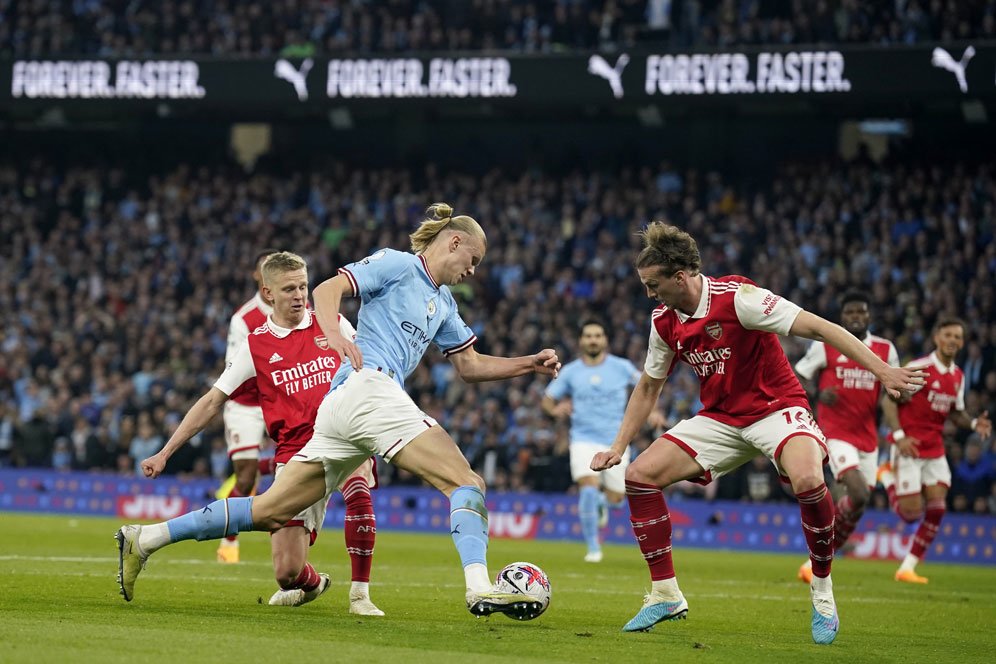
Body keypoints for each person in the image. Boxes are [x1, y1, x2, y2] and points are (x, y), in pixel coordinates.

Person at [116, 203, 561, 620]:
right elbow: (330, 288)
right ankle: (479, 586)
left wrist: (528, 364)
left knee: (270, 509)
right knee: (467, 481)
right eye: (475, 259)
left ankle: (147, 538)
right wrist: (334, 333)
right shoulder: (399, 264)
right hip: (368, 389)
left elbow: (470, 365)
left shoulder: (444, 304)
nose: (472, 271)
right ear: (454, 242)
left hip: (341, 409)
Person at [589, 222, 925, 644]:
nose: (649, 293)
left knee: (808, 481)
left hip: (776, 409)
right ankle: (665, 594)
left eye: (654, 284)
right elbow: (649, 385)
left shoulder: (740, 299)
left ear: (680, 277)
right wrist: (619, 446)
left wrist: (882, 371)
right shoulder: (664, 321)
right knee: (638, 476)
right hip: (721, 418)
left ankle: (822, 593)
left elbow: (822, 328)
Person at [135, 252, 384, 615]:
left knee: (358, 487)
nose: (299, 295)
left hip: (344, 435)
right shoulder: (255, 345)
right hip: (297, 452)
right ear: (268, 293)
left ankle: (360, 595)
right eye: (289, 289)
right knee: (286, 573)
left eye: (303, 286)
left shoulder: (333, 324)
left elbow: (369, 366)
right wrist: (165, 452)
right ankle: (313, 583)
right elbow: (210, 402)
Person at [793, 290, 899, 583]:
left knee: (860, 502)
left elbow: (891, 392)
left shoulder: (885, 349)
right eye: (850, 312)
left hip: (868, 435)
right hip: (836, 432)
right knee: (859, 491)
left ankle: (817, 560)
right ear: (842, 317)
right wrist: (816, 394)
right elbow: (798, 375)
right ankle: (822, 547)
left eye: (860, 312)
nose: (855, 316)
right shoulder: (825, 346)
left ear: (869, 315)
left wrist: (897, 420)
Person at [878, 317, 992, 584]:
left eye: (957, 337)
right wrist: (899, 437)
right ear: (937, 338)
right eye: (948, 335)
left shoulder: (958, 376)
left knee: (938, 509)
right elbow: (889, 401)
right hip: (910, 447)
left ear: (962, 342)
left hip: (935, 449)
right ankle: (885, 475)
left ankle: (907, 567)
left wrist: (974, 422)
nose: (953, 340)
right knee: (910, 514)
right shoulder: (920, 369)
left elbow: (956, 413)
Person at [542, 319, 664, 563]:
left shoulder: (621, 367)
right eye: (588, 336)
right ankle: (593, 549)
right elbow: (547, 400)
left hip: (616, 442)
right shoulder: (571, 371)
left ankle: (601, 503)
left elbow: (648, 387)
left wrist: (654, 412)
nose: (593, 340)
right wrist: (556, 411)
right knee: (587, 486)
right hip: (583, 440)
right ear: (581, 341)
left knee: (617, 499)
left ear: (605, 339)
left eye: (597, 335)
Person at [217, 248, 277, 564]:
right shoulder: (244, 319)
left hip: (284, 399)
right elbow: (235, 368)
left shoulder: (300, 308)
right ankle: (228, 543)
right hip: (246, 404)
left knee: (297, 467)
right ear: (257, 276)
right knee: (244, 480)